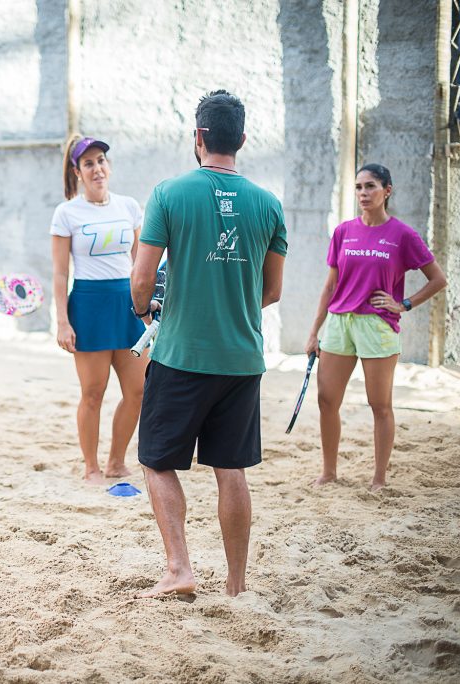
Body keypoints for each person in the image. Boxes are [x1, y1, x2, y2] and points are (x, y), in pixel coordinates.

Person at [131, 90, 287, 598]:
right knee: (231, 469)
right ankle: (237, 586)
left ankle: (179, 569)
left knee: (157, 461)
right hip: (242, 357)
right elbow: (272, 291)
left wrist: (146, 309)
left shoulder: (168, 193)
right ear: (241, 139)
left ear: (198, 137)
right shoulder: (268, 203)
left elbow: (141, 280)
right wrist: (228, 305)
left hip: (180, 353)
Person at [306, 164, 446, 491]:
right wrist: (315, 332)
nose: (363, 193)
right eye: (358, 187)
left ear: (387, 190)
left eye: (370, 186)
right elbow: (329, 287)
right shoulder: (343, 232)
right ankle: (329, 472)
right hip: (340, 323)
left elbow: (438, 279)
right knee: (327, 400)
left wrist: (405, 303)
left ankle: (379, 479)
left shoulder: (402, 235)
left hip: (377, 325)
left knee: (379, 405)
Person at [50, 135, 149, 483]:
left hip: (129, 306)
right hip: (89, 306)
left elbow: (142, 262)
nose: (97, 168)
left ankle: (116, 462)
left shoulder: (129, 206)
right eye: (88, 163)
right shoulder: (67, 213)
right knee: (93, 392)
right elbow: (61, 273)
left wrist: (150, 306)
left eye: (101, 161)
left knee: (138, 391)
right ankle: (91, 466)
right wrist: (62, 321)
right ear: (77, 171)